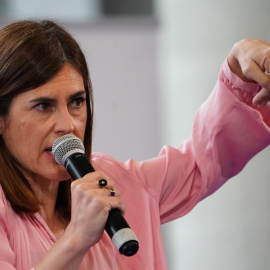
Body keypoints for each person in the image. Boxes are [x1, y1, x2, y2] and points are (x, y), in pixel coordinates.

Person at [0, 19, 269, 270]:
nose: (67, 124)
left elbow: (202, 161)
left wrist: (242, 73)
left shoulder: (112, 181)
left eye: (77, 102)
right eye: (44, 106)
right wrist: (76, 239)